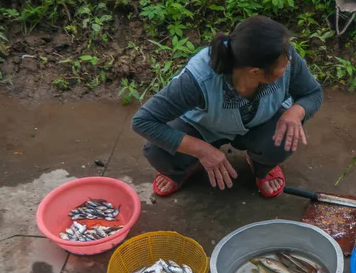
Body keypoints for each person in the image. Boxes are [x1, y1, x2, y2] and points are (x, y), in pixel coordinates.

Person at [131, 15, 323, 198]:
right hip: (203, 126)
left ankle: (261, 166)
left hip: (260, 121)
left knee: (282, 141)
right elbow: (143, 121)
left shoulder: (285, 56)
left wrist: (296, 112)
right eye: (283, 65)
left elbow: (312, 93)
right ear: (256, 72)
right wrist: (201, 150)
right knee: (158, 152)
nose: (289, 63)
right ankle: (184, 169)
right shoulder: (197, 80)